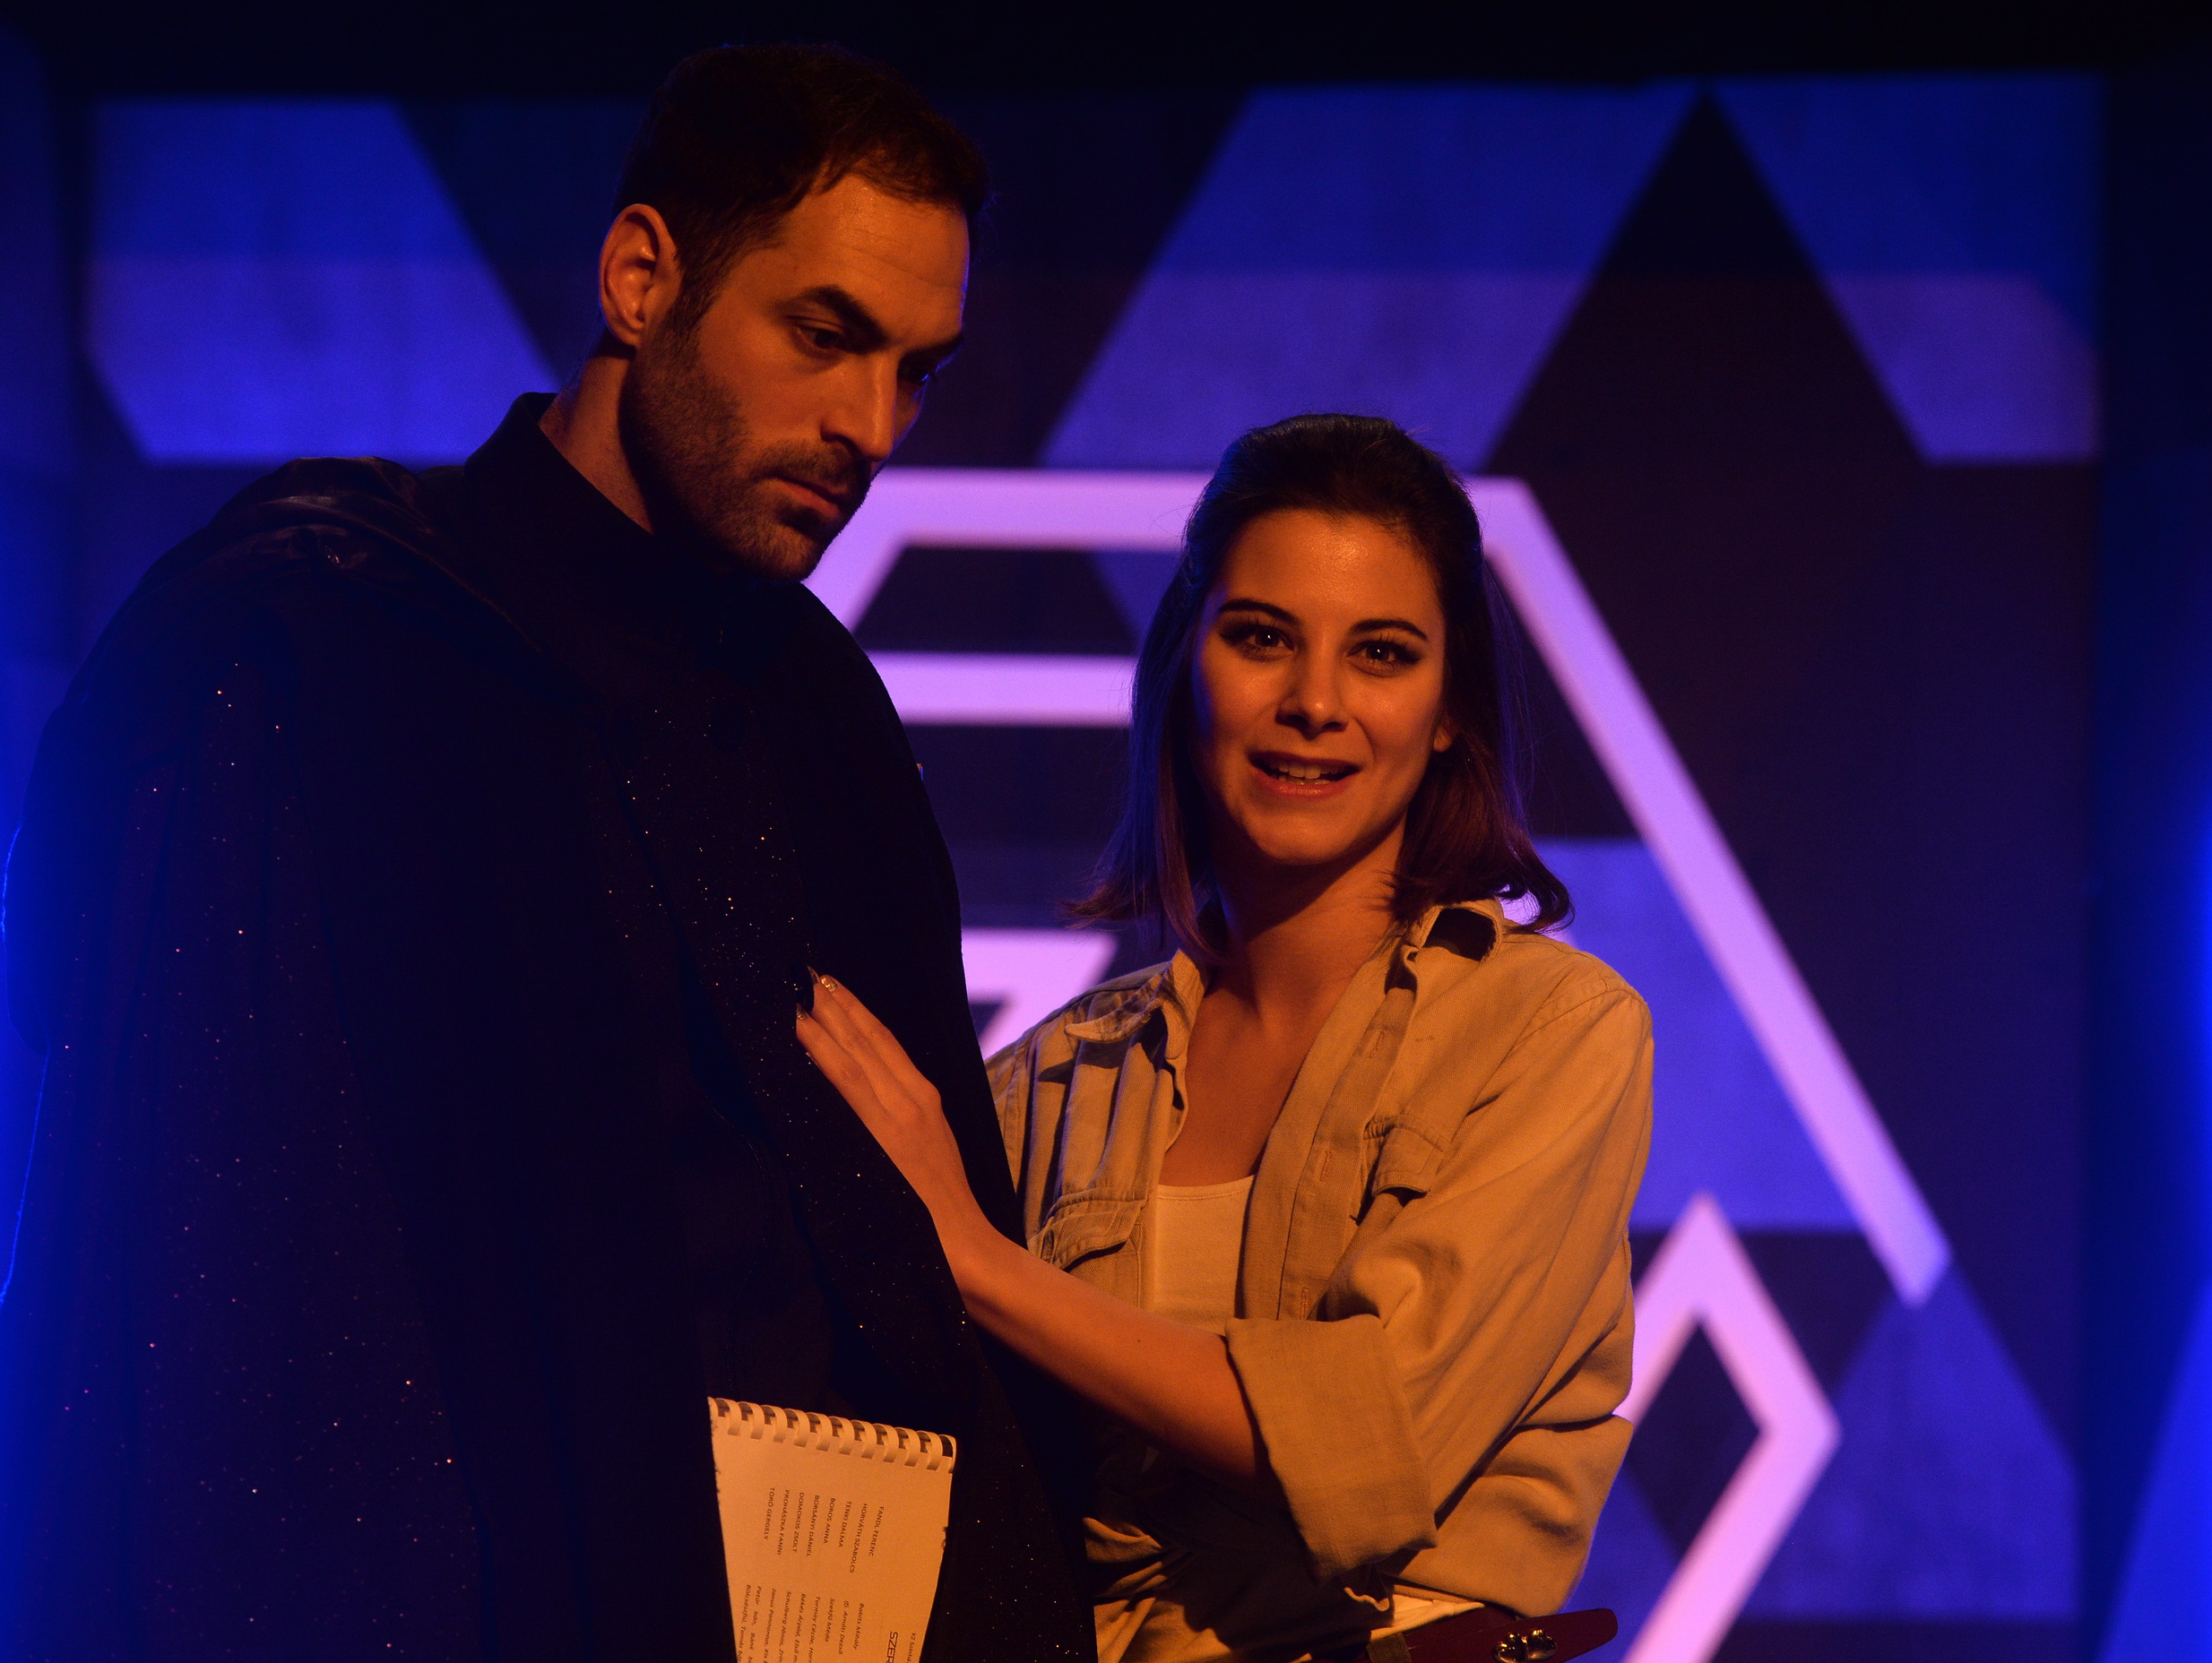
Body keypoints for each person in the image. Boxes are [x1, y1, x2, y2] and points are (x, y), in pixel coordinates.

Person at [0, 44, 1090, 1663]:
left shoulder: (818, 707)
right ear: (642, 278)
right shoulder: (324, 632)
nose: (869, 426)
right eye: (824, 335)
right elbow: (176, 1242)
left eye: (916, 371)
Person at [796, 415, 1654, 1662]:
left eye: (1382, 654)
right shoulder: (1051, 1082)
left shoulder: (1555, 1034)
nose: (1315, 703)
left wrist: (976, 1262)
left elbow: (1376, 1443)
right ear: (1185, 666)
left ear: (1450, 710)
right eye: (1262, 638)